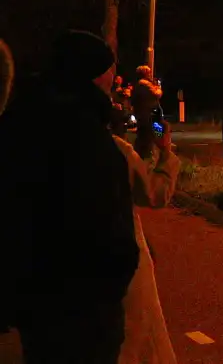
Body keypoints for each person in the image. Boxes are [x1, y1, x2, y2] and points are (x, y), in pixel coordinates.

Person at [0, 30, 139, 363]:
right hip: (83, 315)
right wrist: (109, 299)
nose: (114, 79)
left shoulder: (18, 122)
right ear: (90, 74)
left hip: (34, 309)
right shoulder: (91, 140)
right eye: (109, 70)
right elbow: (113, 234)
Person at [113, 121, 180, 364]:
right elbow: (153, 193)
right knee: (138, 335)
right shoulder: (114, 149)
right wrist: (165, 154)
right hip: (121, 255)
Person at [131, 65, 163, 160]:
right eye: (149, 73)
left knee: (144, 138)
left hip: (146, 117)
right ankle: (149, 160)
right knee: (153, 138)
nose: (150, 74)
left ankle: (142, 158)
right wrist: (158, 87)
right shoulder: (146, 85)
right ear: (144, 74)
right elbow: (158, 93)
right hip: (151, 117)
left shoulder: (138, 86)